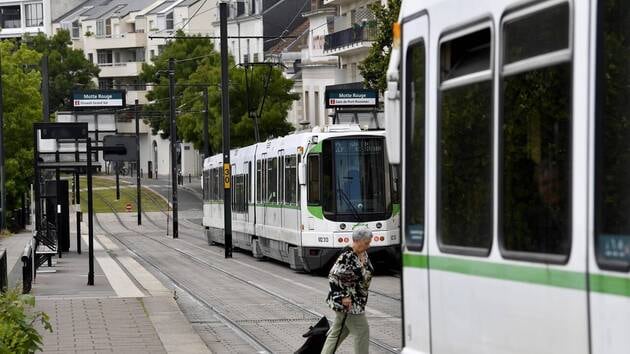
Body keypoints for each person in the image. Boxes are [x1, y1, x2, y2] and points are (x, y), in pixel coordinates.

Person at [321, 228, 374, 354]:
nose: (369, 245)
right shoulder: (347, 256)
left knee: (338, 333)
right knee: (362, 331)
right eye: (366, 242)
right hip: (349, 303)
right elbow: (333, 276)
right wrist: (343, 296)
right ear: (357, 241)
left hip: (357, 301)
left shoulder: (363, 254)